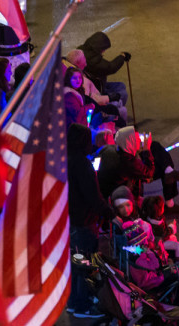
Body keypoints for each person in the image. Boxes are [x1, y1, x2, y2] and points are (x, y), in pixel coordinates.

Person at [67, 124, 114, 318]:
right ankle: (83, 305)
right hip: (84, 222)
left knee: (76, 263)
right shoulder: (82, 165)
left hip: (70, 221)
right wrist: (108, 213)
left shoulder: (64, 160)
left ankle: (74, 301)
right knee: (86, 264)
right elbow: (92, 196)